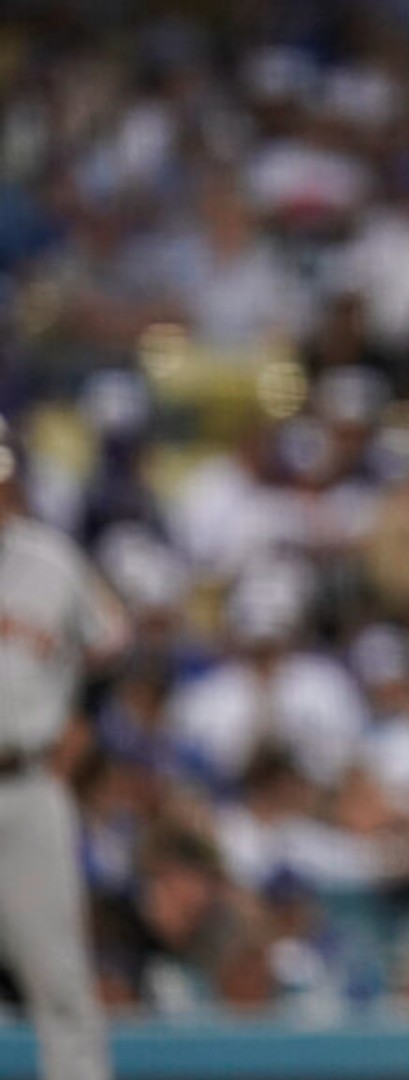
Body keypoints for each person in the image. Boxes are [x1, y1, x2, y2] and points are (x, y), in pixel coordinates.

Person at [0, 417, 128, 1080]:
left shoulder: (51, 561)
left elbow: (112, 649)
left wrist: (81, 723)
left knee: (62, 985)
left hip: (27, 783)